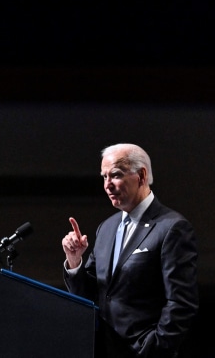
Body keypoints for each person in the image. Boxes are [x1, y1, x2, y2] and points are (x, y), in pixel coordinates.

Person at [61, 143, 199, 358]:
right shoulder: (106, 228)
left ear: (141, 176)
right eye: (104, 177)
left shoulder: (172, 228)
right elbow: (89, 296)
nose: (107, 185)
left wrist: (153, 349)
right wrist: (74, 261)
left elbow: (181, 304)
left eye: (115, 175)